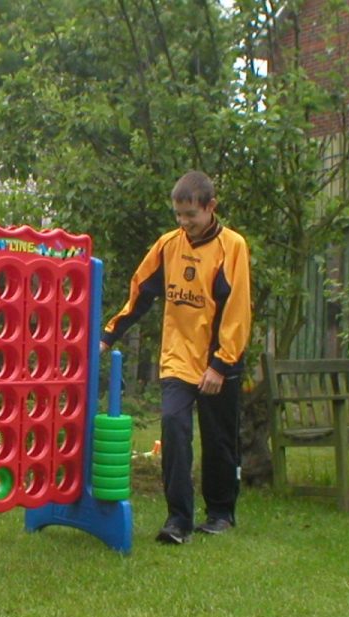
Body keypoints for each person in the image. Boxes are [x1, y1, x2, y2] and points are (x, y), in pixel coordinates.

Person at [100, 171, 252, 544]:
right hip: (179, 359)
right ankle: (178, 520)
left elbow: (237, 309)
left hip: (219, 362)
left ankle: (220, 513)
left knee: (219, 441)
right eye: (179, 215)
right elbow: (140, 294)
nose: (184, 223)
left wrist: (220, 363)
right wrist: (108, 335)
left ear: (210, 207)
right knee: (173, 426)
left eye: (191, 215)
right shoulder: (168, 245)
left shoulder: (232, 247)